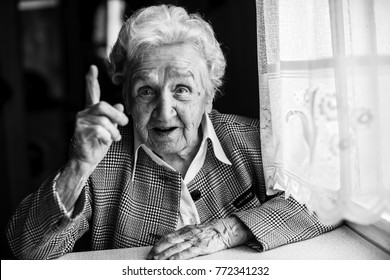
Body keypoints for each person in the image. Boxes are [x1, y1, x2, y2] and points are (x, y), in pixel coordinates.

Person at [7, 4, 335, 260]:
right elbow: (28, 251)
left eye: (182, 89)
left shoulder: (254, 141)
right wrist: (77, 166)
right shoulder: (99, 163)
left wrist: (229, 229)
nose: (164, 112)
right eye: (146, 91)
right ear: (126, 99)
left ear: (209, 95)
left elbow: (330, 197)